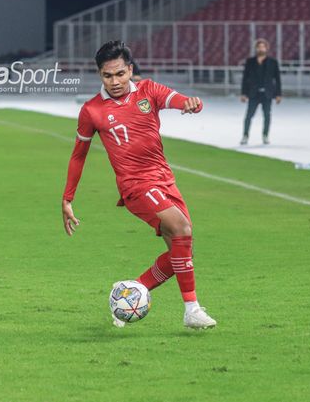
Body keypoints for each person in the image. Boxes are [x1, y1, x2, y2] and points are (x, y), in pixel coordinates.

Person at [61, 40, 216, 330]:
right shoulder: (92, 110)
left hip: (164, 179)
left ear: (130, 69)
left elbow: (179, 100)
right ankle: (191, 310)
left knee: (182, 254)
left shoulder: (148, 91)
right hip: (135, 185)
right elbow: (78, 155)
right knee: (182, 229)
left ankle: (131, 293)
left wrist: (193, 104)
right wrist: (67, 199)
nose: (115, 81)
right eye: (108, 76)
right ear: (100, 75)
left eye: (120, 74)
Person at [239, 38, 282, 145]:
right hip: (253, 93)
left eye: (263, 47)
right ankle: (245, 135)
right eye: (259, 47)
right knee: (249, 115)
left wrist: (278, 94)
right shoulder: (250, 62)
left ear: (267, 48)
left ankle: (265, 135)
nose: (261, 49)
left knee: (267, 115)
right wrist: (244, 93)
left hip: (267, 93)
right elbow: (245, 78)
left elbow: (277, 79)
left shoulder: (273, 62)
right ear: (256, 48)